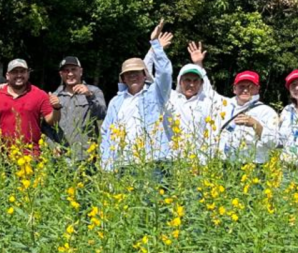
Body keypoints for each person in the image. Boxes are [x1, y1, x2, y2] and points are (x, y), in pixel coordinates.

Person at [99, 22, 175, 170]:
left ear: (144, 75)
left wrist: (155, 43)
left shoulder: (156, 94)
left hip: (151, 162)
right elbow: (106, 132)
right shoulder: (116, 101)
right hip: (120, 165)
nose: (133, 76)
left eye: (136, 73)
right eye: (128, 74)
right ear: (123, 79)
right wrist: (105, 165)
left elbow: (165, 73)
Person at [0, 58, 56, 158]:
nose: (19, 75)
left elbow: (52, 121)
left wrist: (57, 108)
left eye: (22, 71)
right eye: (14, 72)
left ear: (28, 74)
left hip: (31, 156)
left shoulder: (40, 95)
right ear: (7, 75)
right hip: (2, 157)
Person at [168, 41, 225, 161]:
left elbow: (209, 89)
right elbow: (150, 79)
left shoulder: (207, 101)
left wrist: (199, 64)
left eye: (196, 81)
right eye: (187, 80)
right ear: (179, 81)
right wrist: (155, 48)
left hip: (198, 161)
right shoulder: (170, 98)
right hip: (172, 160)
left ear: (201, 83)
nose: (191, 84)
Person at [51, 56, 106, 161]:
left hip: (86, 155)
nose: (70, 74)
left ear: (81, 71)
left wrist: (89, 96)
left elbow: (102, 114)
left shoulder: (94, 91)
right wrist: (53, 146)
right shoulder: (55, 96)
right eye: (66, 71)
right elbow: (48, 126)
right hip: (62, 157)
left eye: (73, 69)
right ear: (61, 74)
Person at [217, 71, 278, 164]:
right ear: (234, 89)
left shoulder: (267, 111)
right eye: (241, 86)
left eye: (250, 87)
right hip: (224, 165)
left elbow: (275, 143)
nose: (245, 90)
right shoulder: (223, 107)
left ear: (257, 89)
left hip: (253, 166)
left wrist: (256, 125)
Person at [278, 70, 298, 165]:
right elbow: (278, 139)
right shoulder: (287, 110)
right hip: (286, 167)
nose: (297, 88)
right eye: (293, 85)